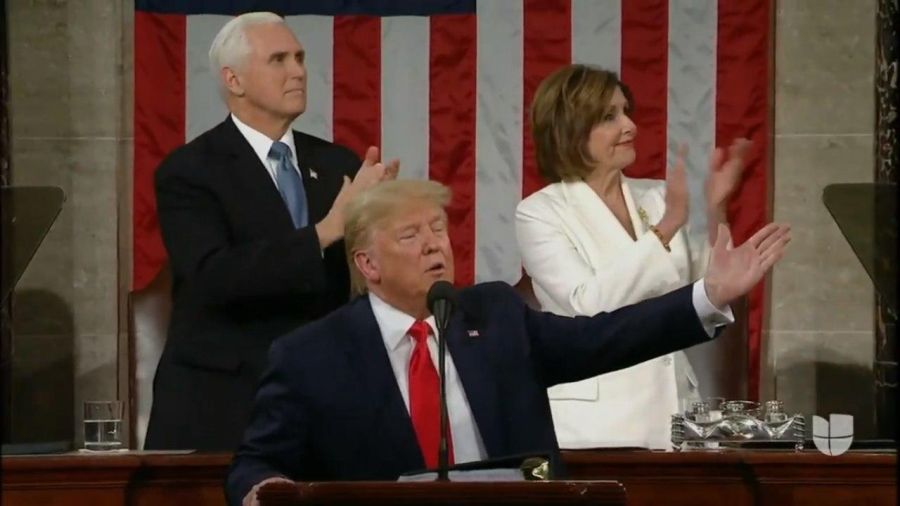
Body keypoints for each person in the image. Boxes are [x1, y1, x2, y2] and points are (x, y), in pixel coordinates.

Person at [226, 179, 790, 506]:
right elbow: (256, 464)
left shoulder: (494, 314)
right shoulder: (311, 355)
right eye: (411, 235)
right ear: (367, 264)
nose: (433, 245)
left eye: (438, 228)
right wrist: (263, 490)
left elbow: (605, 338)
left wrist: (708, 293)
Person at [144, 12, 398, 451]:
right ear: (234, 81)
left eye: (299, 57)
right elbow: (214, 276)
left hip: (327, 398)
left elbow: (361, 284)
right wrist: (324, 232)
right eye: (278, 60)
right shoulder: (189, 171)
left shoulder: (338, 165)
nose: (298, 70)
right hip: (225, 405)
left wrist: (388, 230)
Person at [515, 64, 749, 449]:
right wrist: (666, 229)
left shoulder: (656, 197)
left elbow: (703, 295)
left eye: (626, 111)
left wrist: (716, 210)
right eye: (610, 117)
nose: (630, 126)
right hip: (597, 429)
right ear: (571, 130)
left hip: (677, 418)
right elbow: (585, 307)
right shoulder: (540, 212)